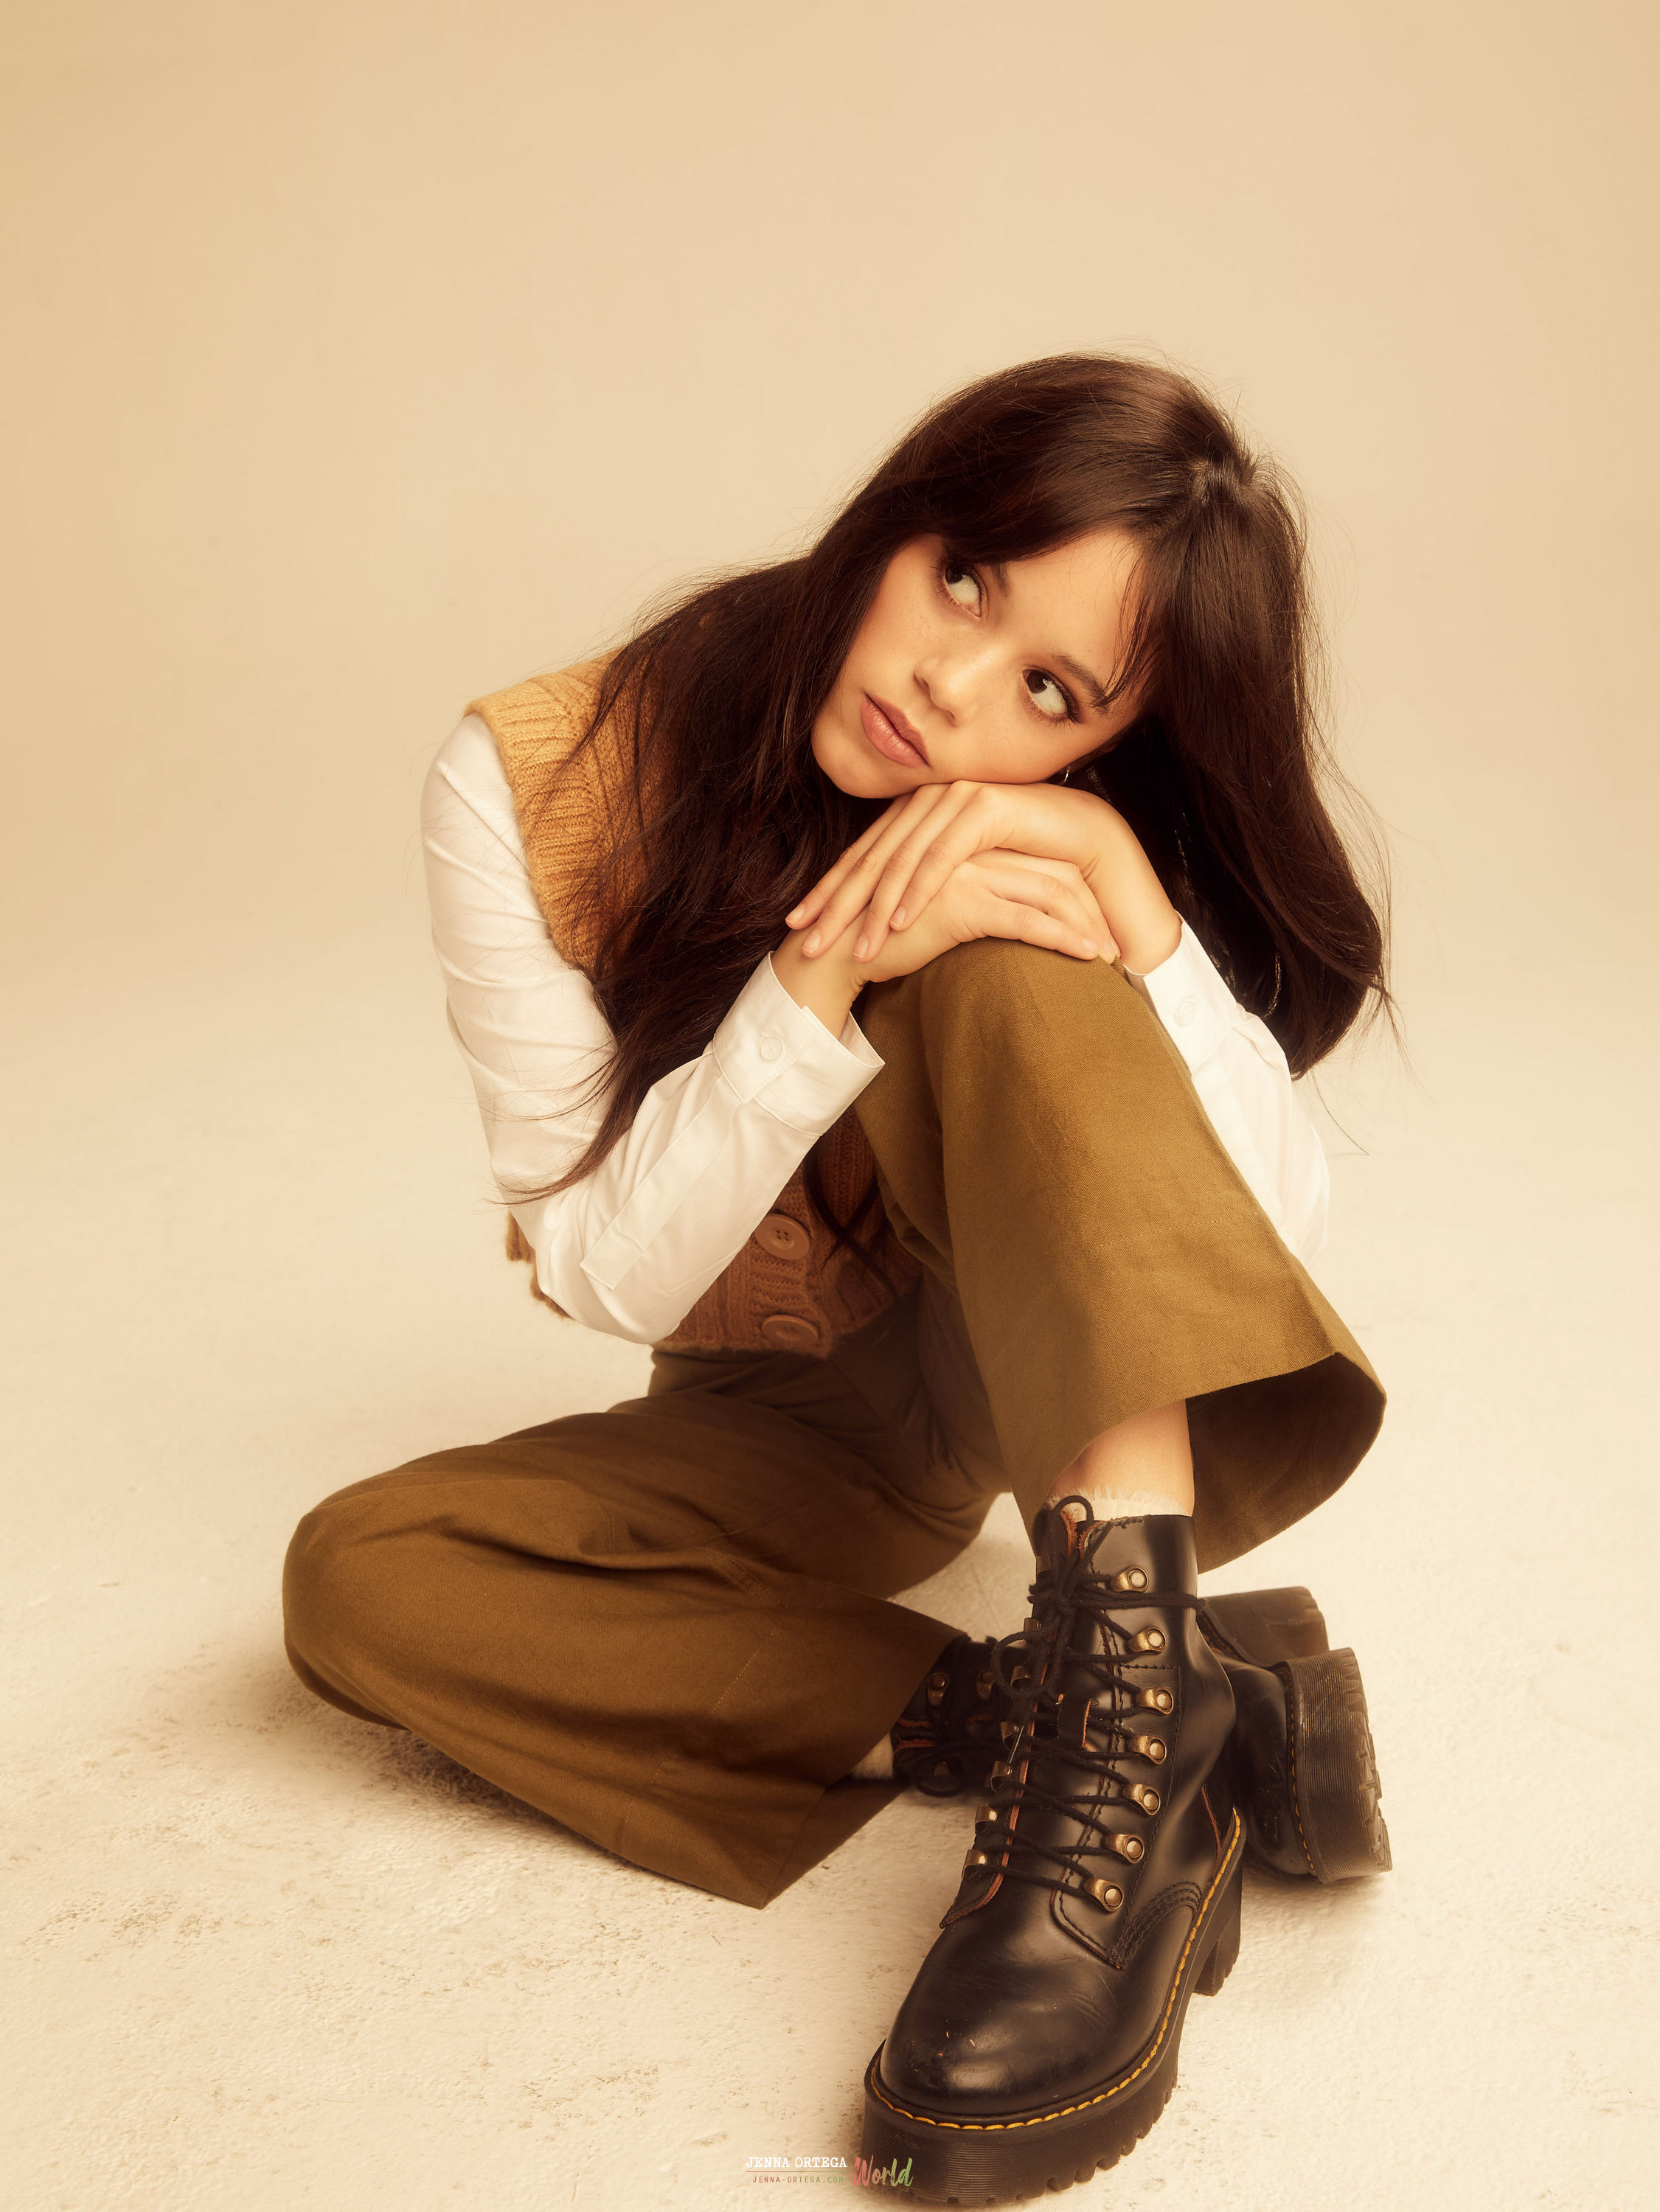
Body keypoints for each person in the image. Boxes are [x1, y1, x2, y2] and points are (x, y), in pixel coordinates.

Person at [282, 353, 1392, 2201]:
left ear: (1100, 736)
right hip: (794, 1411)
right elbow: (610, 1270)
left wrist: (1118, 889)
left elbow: (1260, 1246)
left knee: (1010, 947)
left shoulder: (1065, 825)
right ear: (897, 514)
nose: (952, 689)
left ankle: (1118, 1713)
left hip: (1049, 1371)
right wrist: (823, 972)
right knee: (358, 1579)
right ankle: (1130, 1708)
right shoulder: (537, 776)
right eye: (964, 578)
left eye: (1049, 693)